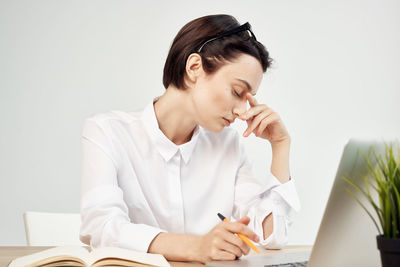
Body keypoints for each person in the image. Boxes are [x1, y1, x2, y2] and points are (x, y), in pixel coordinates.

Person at [79, 14, 300, 264]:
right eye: (237, 92)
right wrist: (197, 247)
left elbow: (269, 236)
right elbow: (101, 227)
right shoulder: (108, 131)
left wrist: (280, 146)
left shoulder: (228, 145)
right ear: (194, 68)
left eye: (248, 98)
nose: (242, 111)